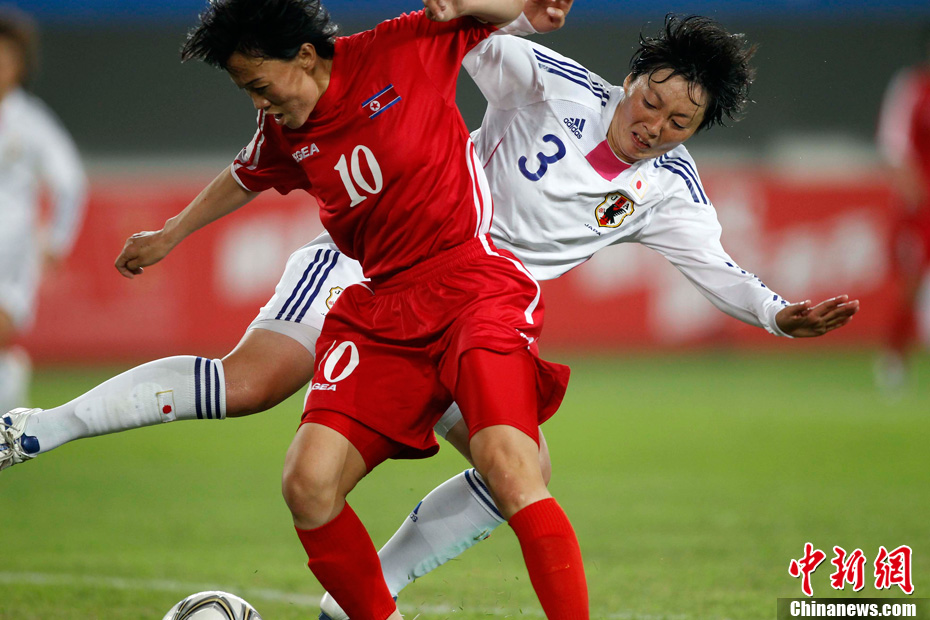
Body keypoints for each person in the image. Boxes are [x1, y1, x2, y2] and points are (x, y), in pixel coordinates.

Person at [0, 5, 858, 618]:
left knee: (517, 470)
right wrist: (519, 11)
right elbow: (463, 31)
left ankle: (363, 597)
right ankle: (41, 427)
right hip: (371, 264)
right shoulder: (551, 84)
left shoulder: (669, 191)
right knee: (253, 384)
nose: (657, 124)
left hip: (476, 301)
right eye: (651, 101)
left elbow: (717, 268)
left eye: (682, 121)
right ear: (629, 78)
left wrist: (778, 314)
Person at [0, 7, 86, 416]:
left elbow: (69, 180)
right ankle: (8, 387)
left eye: (6, 58)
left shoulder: (31, 122)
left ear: (21, 65)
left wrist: (57, 239)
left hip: (11, 252)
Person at [874, 26, 930, 394]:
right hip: (921, 207)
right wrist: (914, 193)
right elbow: (894, 147)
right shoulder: (912, 88)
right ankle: (894, 357)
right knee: (910, 283)